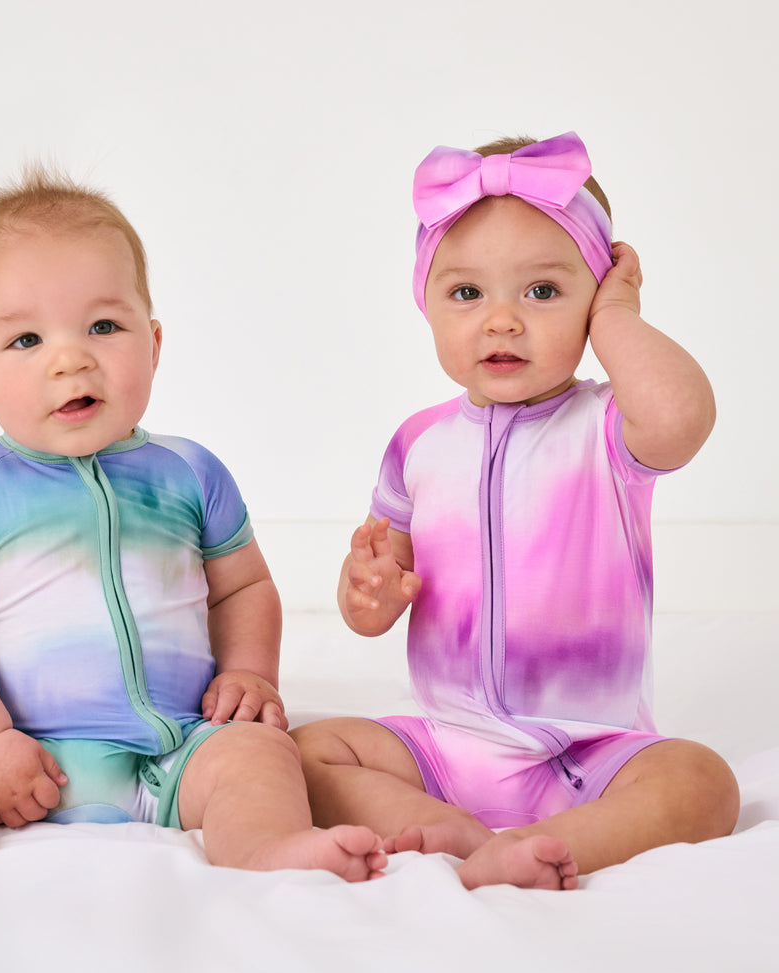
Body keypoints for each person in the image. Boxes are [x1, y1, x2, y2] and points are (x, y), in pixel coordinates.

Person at [0, 167, 386, 883]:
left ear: (153, 343)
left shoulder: (191, 472)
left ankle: (264, 849)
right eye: (26, 340)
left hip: (174, 753)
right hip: (24, 754)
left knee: (263, 755)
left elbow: (243, 589)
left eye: (103, 326)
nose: (71, 358)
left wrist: (249, 673)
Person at [291, 132, 739, 890]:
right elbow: (377, 601)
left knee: (702, 782)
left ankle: (561, 838)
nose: (502, 320)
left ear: (594, 300)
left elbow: (683, 418)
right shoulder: (419, 445)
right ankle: (463, 833)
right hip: (446, 745)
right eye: (467, 293)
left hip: (587, 750)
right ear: (426, 303)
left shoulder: (609, 429)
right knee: (303, 751)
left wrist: (621, 314)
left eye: (543, 292)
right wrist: (363, 592)